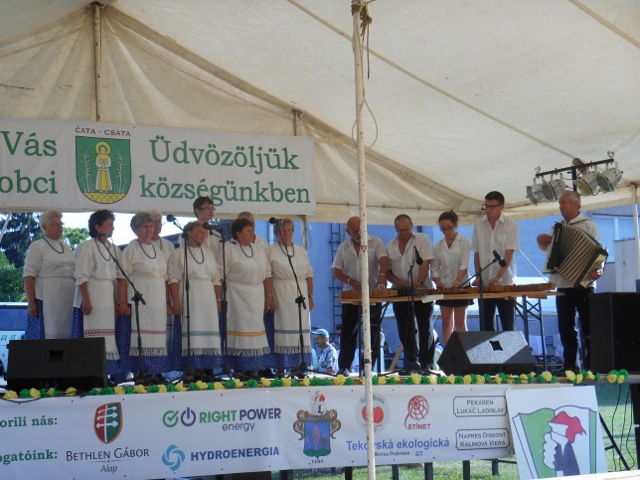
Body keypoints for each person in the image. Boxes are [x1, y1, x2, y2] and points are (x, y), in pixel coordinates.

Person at [536, 190, 602, 372]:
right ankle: (570, 364)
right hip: (562, 283)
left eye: (564, 202)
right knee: (565, 326)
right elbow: (550, 254)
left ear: (576, 204)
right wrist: (542, 242)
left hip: (583, 283)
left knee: (588, 325)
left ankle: (592, 363)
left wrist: (598, 269)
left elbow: (598, 252)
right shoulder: (556, 228)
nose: (561, 205)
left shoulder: (589, 225)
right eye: (560, 202)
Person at [333, 216, 388, 376]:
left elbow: (384, 260)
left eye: (361, 229)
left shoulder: (376, 242)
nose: (359, 233)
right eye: (356, 230)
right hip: (351, 295)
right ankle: (344, 367)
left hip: (373, 294)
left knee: (373, 331)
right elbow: (336, 271)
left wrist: (383, 274)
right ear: (347, 232)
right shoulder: (343, 247)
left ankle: (369, 368)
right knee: (348, 332)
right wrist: (352, 282)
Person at [118, 212, 171, 376]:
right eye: (145, 226)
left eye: (151, 226)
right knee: (140, 334)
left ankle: (156, 371)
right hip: (140, 297)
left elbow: (165, 278)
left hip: (158, 299)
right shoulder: (131, 249)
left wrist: (167, 302)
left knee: (157, 337)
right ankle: (141, 372)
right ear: (136, 229)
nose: (149, 229)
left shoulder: (157, 251)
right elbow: (122, 277)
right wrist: (123, 302)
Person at [168, 221, 223, 372]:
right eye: (200, 231)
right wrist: (176, 302)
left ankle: (207, 368)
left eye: (205, 232)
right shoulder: (178, 253)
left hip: (208, 297)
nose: (204, 235)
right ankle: (191, 368)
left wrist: (218, 300)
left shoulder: (209, 253)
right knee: (190, 330)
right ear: (189, 233)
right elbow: (173, 279)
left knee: (208, 331)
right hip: (189, 295)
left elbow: (216, 279)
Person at [224, 217, 274, 376]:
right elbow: (220, 274)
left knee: (255, 331)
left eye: (252, 230)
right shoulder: (229, 249)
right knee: (239, 330)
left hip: (256, 295)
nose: (252, 233)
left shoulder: (258, 249)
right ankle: (239, 368)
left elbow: (267, 274)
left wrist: (269, 295)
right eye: (248, 231)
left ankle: (253, 368)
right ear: (238, 234)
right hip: (237, 295)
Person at [73, 210, 121, 375]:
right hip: (92, 294)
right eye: (109, 224)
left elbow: (112, 279)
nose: (112, 228)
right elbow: (81, 276)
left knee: (107, 338)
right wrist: (87, 300)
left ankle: (105, 373)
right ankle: (89, 373)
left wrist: (114, 301)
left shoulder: (112, 248)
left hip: (106, 297)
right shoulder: (87, 247)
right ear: (97, 226)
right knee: (92, 337)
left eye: (113, 225)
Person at [386, 214, 435, 370]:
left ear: (412, 226)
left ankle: (427, 363)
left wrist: (419, 281)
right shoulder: (391, 246)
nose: (404, 233)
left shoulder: (422, 239)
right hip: (401, 291)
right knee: (404, 327)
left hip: (422, 289)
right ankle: (411, 361)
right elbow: (387, 271)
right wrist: (397, 281)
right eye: (401, 230)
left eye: (407, 229)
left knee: (425, 327)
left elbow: (426, 262)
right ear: (396, 229)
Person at [269, 218, 313, 374]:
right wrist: (269, 296)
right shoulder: (271, 251)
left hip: (300, 293)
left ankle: (298, 365)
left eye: (290, 230)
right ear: (277, 233)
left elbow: (309, 274)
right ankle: (281, 366)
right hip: (281, 292)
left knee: (300, 329)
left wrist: (310, 296)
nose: (287, 233)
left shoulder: (300, 251)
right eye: (284, 230)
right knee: (281, 328)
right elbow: (267, 275)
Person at [23, 210, 76, 340]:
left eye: (61, 224)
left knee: (67, 337)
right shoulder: (37, 246)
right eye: (55, 224)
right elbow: (29, 276)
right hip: (46, 298)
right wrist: (31, 303)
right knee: (46, 338)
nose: (60, 227)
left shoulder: (66, 246)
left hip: (67, 298)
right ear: (44, 227)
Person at [471, 191, 519, 331]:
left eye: (492, 206)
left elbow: (509, 253)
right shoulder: (479, 224)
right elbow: (477, 253)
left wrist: (499, 276)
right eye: (486, 206)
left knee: (508, 327)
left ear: (501, 207)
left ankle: (510, 348)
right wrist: (478, 275)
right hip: (485, 283)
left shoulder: (510, 224)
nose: (488, 210)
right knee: (486, 328)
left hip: (506, 282)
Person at [431, 210, 472, 345]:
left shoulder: (464, 242)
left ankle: (465, 352)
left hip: (461, 286)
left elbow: (464, 264)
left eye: (449, 227)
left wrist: (458, 281)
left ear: (455, 225)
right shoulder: (438, 245)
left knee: (461, 324)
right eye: (443, 228)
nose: (446, 231)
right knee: (446, 323)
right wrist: (438, 281)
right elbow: (434, 268)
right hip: (445, 288)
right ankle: (449, 352)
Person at [193, 196, 223, 268]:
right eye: (207, 208)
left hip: (214, 272)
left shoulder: (217, 235)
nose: (211, 211)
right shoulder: (189, 234)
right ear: (197, 211)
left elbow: (220, 259)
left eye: (212, 208)